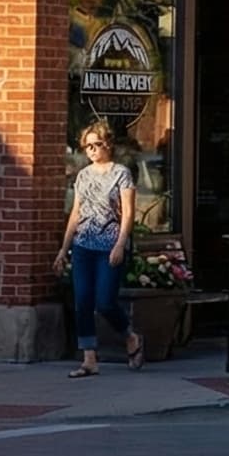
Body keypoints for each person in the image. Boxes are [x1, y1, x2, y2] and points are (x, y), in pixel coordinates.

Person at [56, 123, 141, 378]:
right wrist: (64, 248)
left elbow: (128, 213)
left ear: (108, 145)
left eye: (96, 145)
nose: (91, 150)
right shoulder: (83, 176)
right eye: (87, 146)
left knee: (104, 302)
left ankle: (130, 336)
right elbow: (76, 212)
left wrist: (120, 243)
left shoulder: (121, 174)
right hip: (83, 245)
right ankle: (89, 358)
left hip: (109, 246)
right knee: (82, 302)